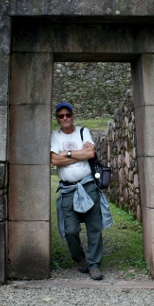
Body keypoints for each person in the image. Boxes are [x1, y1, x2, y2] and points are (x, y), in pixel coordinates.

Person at [50, 102, 112, 281]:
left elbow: (90, 154)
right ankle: (79, 258)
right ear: (57, 119)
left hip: (88, 185)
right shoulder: (55, 135)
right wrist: (79, 153)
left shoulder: (83, 132)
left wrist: (66, 154)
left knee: (94, 226)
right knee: (70, 230)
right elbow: (54, 160)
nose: (65, 118)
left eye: (67, 115)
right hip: (68, 189)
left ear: (73, 115)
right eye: (61, 116)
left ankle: (94, 264)